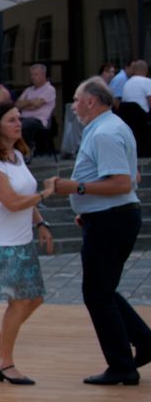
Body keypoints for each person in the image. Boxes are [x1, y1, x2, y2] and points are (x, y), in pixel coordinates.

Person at [42, 76, 149, 383]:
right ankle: (142, 343)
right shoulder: (108, 128)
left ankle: (122, 366)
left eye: (76, 100)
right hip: (108, 217)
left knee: (97, 293)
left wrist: (75, 188)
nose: (74, 106)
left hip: (111, 218)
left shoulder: (105, 132)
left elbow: (122, 182)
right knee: (102, 290)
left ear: (91, 101)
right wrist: (88, 209)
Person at [0, 104, 52, 385]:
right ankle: (5, 361)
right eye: (11, 120)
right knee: (21, 299)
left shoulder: (16, 155)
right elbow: (13, 202)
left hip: (20, 237)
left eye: (19, 119)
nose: (19, 124)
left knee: (34, 297)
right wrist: (46, 194)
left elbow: (24, 194)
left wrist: (41, 223)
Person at [16, 63, 58, 158]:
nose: (33, 77)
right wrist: (31, 103)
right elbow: (17, 104)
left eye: (36, 74)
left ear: (43, 75)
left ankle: (28, 150)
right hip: (23, 117)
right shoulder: (28, 90)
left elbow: (36, 105)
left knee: (22, 126)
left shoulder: (49, 89)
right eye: (32, 75)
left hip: (39, 120)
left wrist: (25, 104)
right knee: (8, 125)